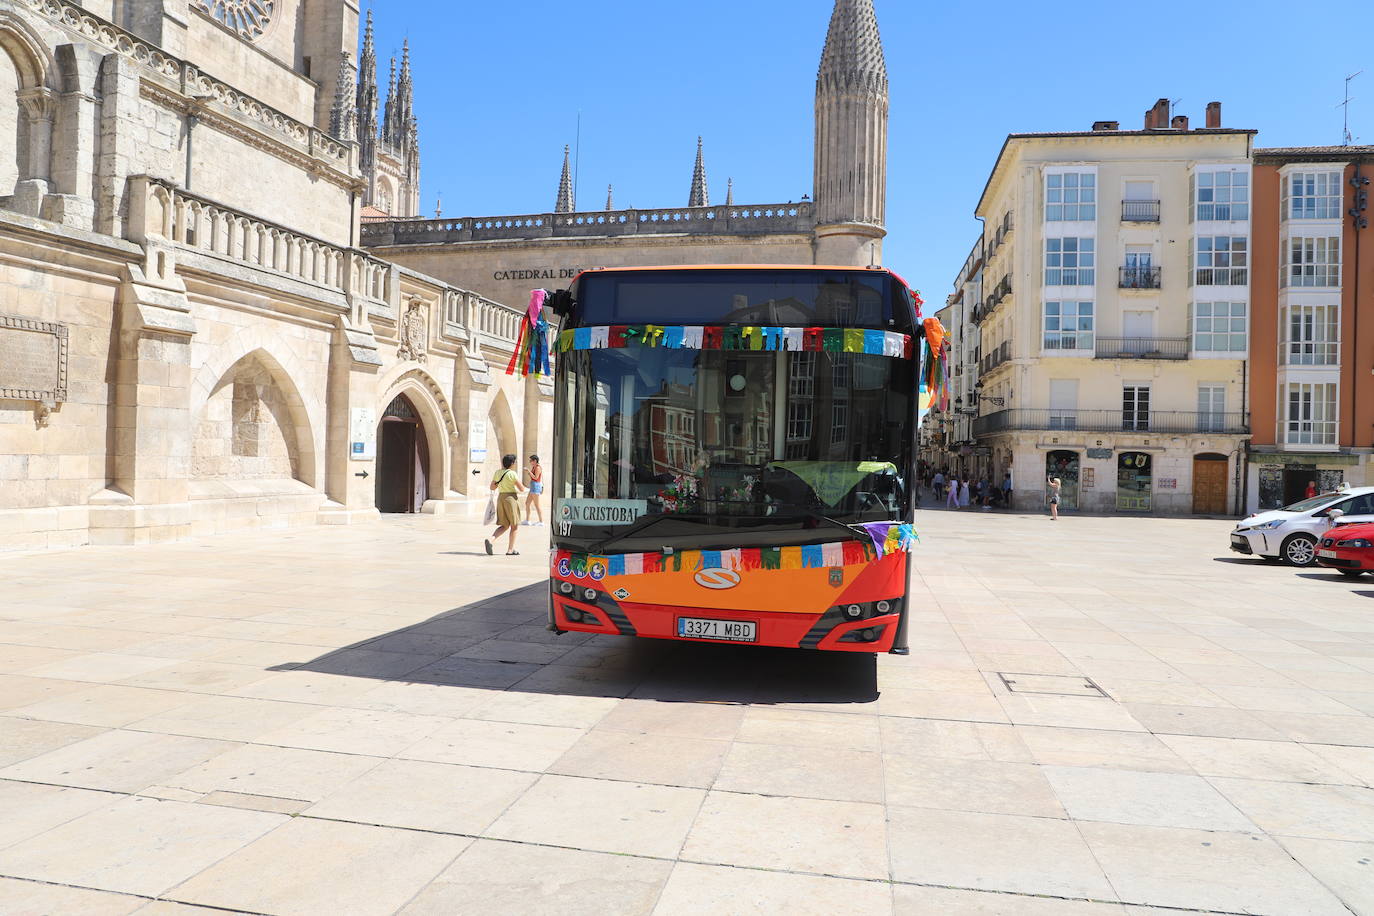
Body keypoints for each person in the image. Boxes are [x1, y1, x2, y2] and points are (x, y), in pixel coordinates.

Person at [485, 454, 526, 556]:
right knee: (514, 525)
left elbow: (492, 487)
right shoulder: (512, 474)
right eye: (515, 462)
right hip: (511, 499)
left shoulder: (498, 473)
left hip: (501, 498)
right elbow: (522, 489)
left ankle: (491, 540)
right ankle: (510, 550)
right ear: (512, 463)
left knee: (504, 525)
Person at [522, 455, 545, 525]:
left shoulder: (538, 467)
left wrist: (529, 471)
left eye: (531, 461)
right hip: (533, 485)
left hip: (536, 486)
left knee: (537, 505)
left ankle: (541, 521)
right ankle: (527, 520)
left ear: (535, 461)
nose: (530, 462)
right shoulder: (534, 467)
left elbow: (536, 477)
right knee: (527, 503)